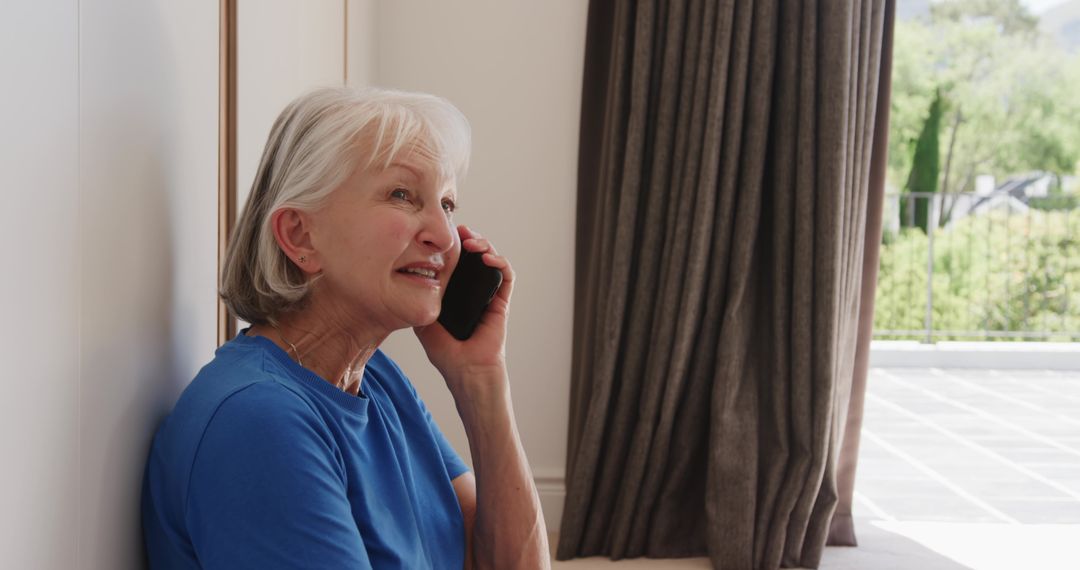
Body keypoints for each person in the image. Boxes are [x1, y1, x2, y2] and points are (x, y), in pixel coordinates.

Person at [141, 86, 550, 569]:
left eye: (447, 204)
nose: (443, 235)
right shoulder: (259, 423)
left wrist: (482, 378)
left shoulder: (379, 381)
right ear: (299, 235)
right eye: (402, 194)